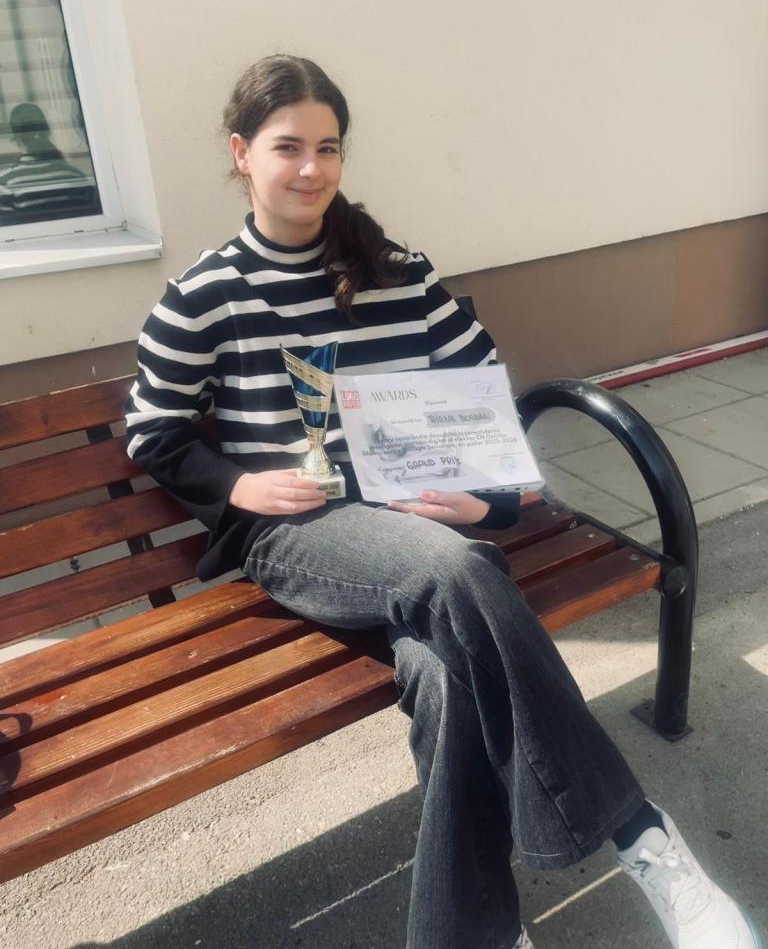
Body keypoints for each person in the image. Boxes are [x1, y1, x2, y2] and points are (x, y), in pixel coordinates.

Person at [124, 55, 761, 949]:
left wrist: (484, 503)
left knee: (443, 672)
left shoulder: (399, 272)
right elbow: (152, 430)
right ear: (241, 154)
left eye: (328, 148)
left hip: (417, 526)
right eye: (287, 147)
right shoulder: (205, 295)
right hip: (298, 530)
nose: (310, 168)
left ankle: (474, 935)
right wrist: (237, 485)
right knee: (455, 570)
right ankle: (641, 836)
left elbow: (480, 395)